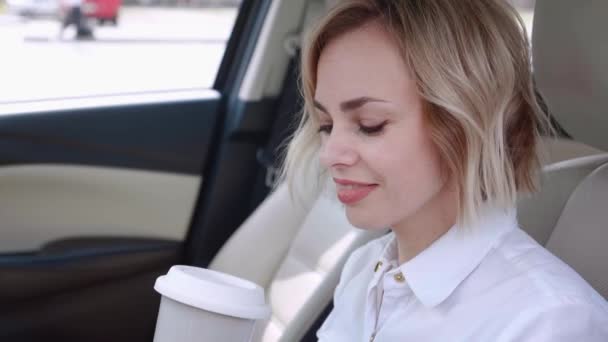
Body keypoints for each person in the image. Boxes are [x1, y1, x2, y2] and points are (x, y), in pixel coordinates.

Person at [280, 0, 608, 340]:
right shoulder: (365, 270)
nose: (330, 154)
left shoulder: (549, 322)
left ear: (465, 124)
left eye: (369, 125)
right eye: (326, 125)